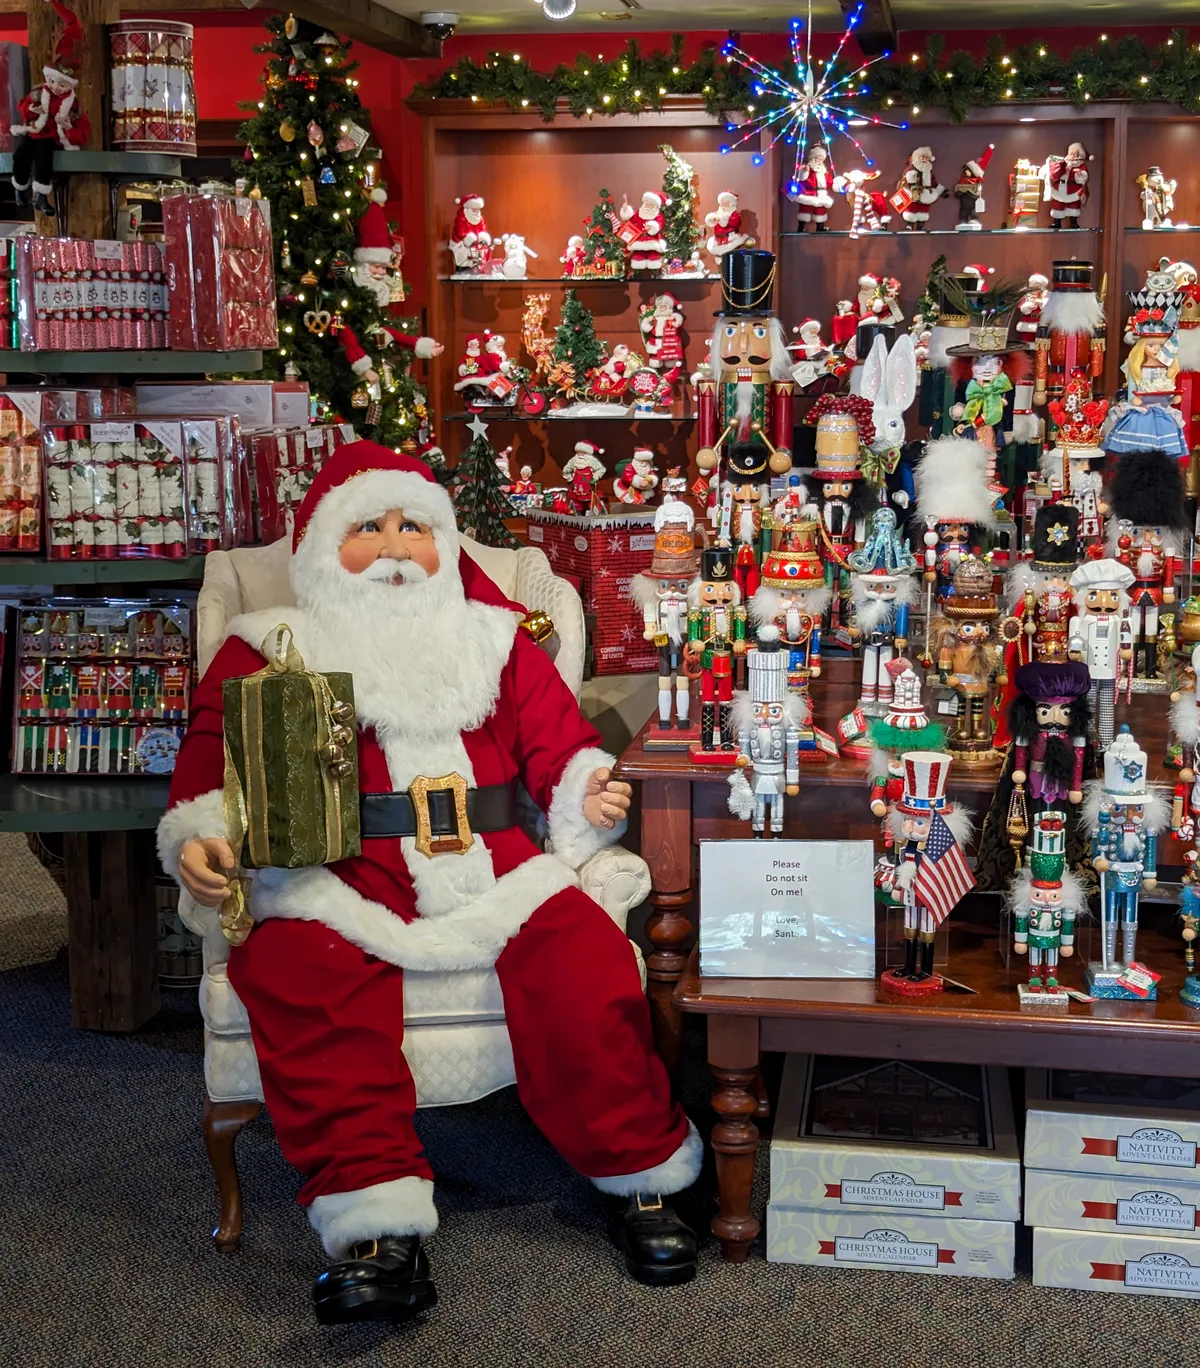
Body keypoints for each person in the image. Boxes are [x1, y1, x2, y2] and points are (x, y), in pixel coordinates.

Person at [159, 443, 701, 1324]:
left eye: (413, 527)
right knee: (305, 975)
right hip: (336, 868)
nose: (394, 547)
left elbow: (558, 746)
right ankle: (376, 1226)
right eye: (366, 528)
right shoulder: (268, 646)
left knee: (586, 965)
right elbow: (208, 765)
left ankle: (636, 1175)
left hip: (494, 864)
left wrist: (584, 787)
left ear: (443, 545)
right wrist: (202, 835)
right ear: (319, 549)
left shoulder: (498, 639)